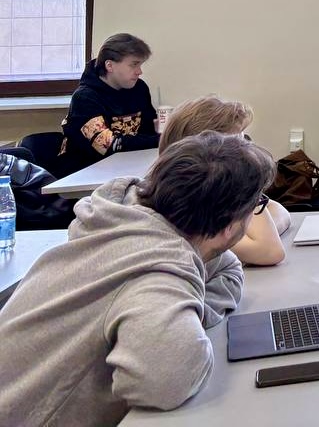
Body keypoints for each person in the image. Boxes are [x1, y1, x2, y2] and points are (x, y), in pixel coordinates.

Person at [0, 131, 275, 426]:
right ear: (229, 226)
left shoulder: (129, 220)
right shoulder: (156, 272)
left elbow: (228, 269)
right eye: (257, 205)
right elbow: (165, 383)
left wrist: (187, 315)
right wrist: (176, 322)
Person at [160, 95, 291, 266]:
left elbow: (280, 211)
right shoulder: (193, 221)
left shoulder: (217, 197)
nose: (247, 152)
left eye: (244, 141)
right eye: (237, 146)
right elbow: (271, 251)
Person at [58, 33, 159, 177]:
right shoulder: (85, 98)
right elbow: (108, 145)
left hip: (127, 167)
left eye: (140, 65)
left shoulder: (139, 89)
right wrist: (161, 140)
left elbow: (149, 130)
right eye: (134, 65)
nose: (139, 72)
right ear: (109, 65)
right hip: (85, 174)